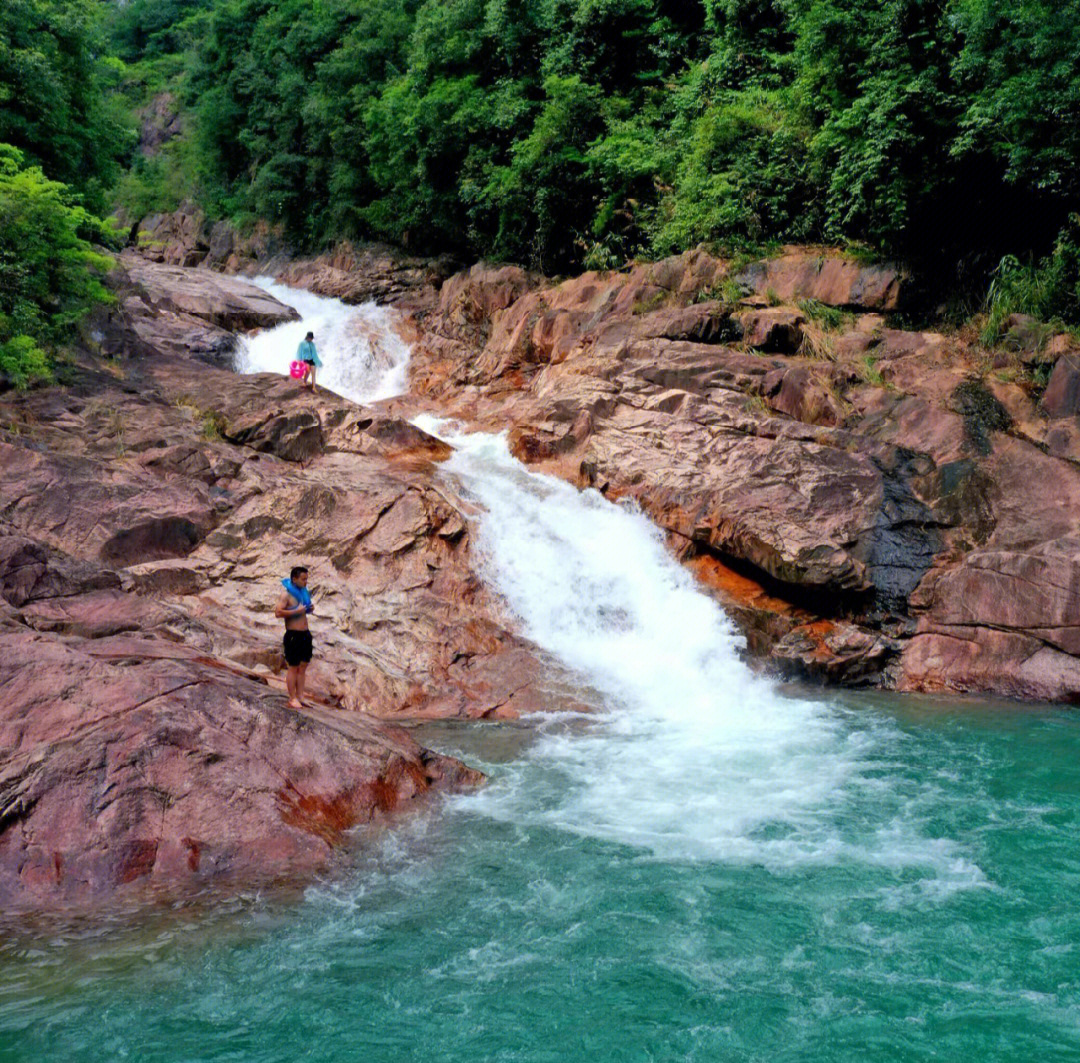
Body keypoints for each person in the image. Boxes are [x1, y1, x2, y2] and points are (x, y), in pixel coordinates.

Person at [275, 565, 315, 709]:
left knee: (303, 666)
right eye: (303, 579)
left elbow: (302, 612)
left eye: (306, 579)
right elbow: (278, 613)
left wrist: (308, 610)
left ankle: (301, 696)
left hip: (305, 634)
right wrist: (295, 611)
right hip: (293, 635)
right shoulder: (286, 595)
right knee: (293, 667)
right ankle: (292, 698)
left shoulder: (303, 593)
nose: (306, 582)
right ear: (294, 579)